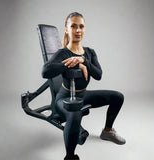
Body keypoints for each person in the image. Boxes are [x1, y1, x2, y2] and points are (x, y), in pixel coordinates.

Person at [42, 12, 126, 160]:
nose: (78, 30)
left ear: (84, 29)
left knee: (117, 97)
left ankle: (107, 131)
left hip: (82, 94)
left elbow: (98, 75)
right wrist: (69, 63)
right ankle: (70, 156)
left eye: (81, 26)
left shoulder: (90, 52)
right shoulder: (63, 53)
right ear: (67, 29)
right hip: (64, 98)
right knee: (75, 114)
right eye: (73, 26)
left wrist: (83, 61)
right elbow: (45, 71)